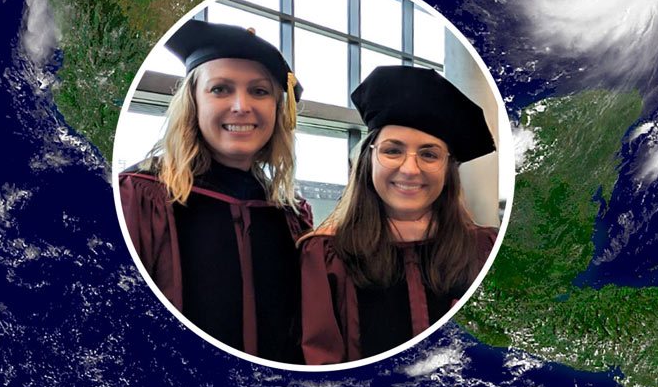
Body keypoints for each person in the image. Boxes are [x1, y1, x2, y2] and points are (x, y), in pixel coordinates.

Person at [118, 19, 312, 363]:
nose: (241, 105)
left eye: (260, 91)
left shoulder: (292, 215)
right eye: (220, 89)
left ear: (277, 110)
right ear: (193, 102)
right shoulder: (140, 198)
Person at [300, 65, 499, 364]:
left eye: (429, 154)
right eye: (393, 150)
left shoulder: (485, 249)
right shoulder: (326, 257)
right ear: (369, 159)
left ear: (448, 169)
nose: (410, 169)